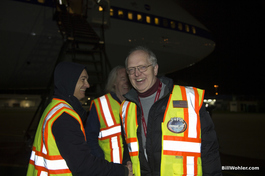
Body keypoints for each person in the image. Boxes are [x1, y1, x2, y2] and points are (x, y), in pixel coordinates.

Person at [120, 46, 222, 176]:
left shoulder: (189, 98)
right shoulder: (126, 107)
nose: (137, 73)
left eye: (142, 67)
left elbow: (209, 150)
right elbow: (128, 147)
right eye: (131, 70)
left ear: (155, 68)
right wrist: (127, 162)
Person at [27, 61, 132, 176]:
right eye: (83, 79)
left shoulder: (54, 108)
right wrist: (123, 171)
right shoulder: (64, 116)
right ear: (70, 80)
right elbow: (83, 165)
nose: (87, 84)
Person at [85, 66, 130, 164]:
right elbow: (90, 138)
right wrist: (101, 161)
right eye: (123, 79)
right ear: (114, 82)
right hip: (110, 168)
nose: (127, 82)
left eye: (128, 78)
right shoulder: (100, 104)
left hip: (133, 168)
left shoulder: (135, 103)